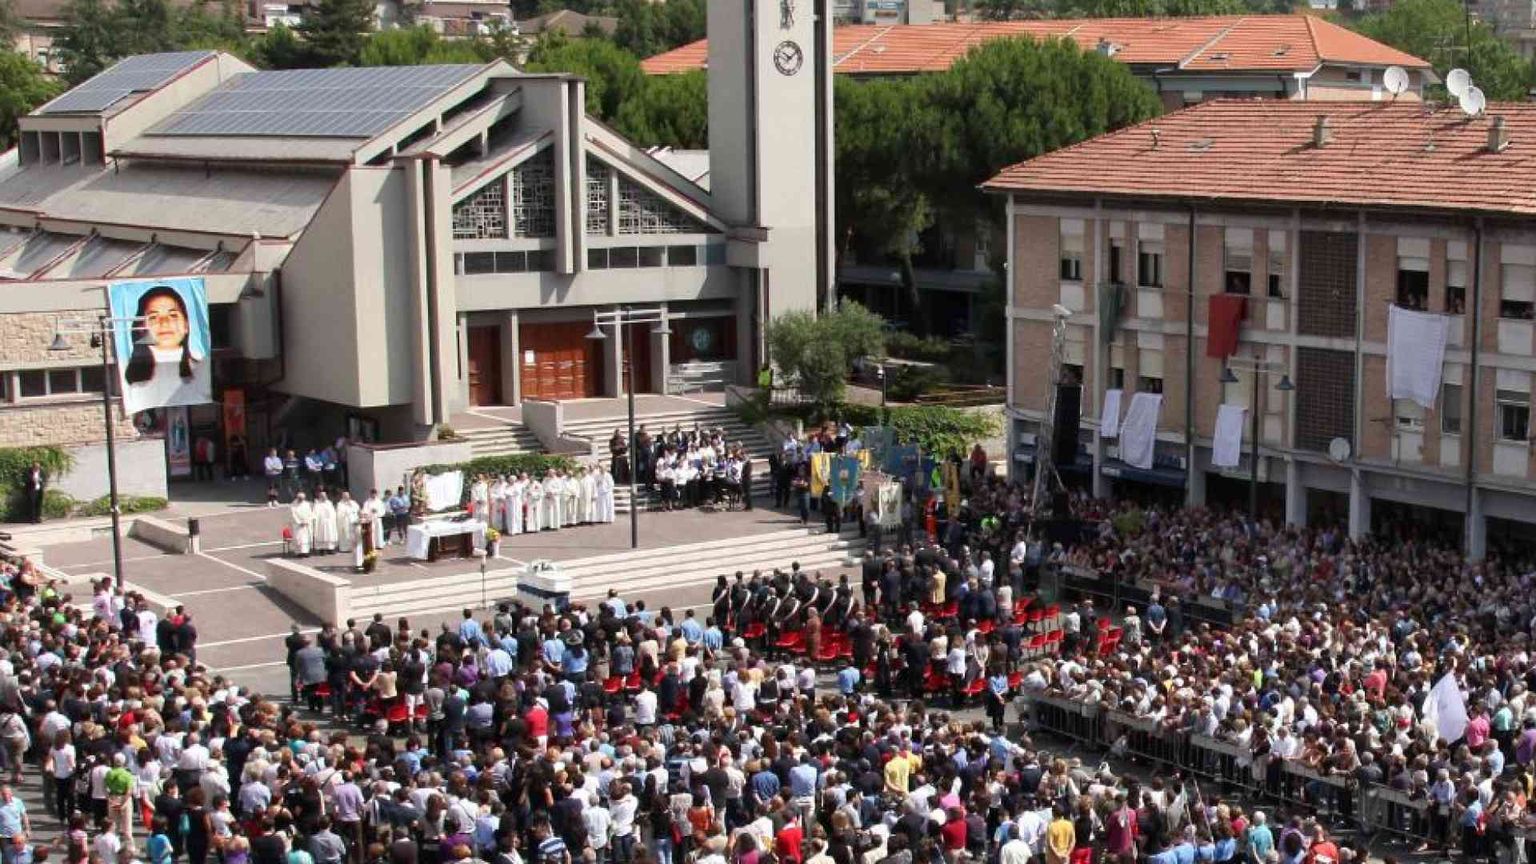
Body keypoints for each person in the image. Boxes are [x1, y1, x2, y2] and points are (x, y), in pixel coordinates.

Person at [120, 285, 204, 411]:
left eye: (173, 315)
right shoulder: (134, 374)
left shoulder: (201, 368)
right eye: (153, 317)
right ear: (141, 328)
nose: (164, 323)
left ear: (186, 325)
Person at [312, 491, 338, 555]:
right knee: (321, 535)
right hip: (321, 522)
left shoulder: (329, 503)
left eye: (324, 496)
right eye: (322, 496)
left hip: (329, 522)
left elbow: (333, 512)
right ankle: (322, 549)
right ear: (319, 496)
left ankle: (330, 549)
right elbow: (315, 513)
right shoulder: (317, 504)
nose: (323, 497)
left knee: (330, 535)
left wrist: (332, 519)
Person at [290, 493, 315, 558]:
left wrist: (307, 521)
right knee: (299, 539)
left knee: (305, 539)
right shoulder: (293, 505)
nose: (301, 500)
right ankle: (299, 553)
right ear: (297, 498)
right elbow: (293, 515)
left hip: (306, 524)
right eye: (300, 498)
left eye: (302, 499)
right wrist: (299, 522)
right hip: (298, 525)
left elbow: (310, 513)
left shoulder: (307, 504)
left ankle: (305, 552)